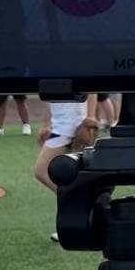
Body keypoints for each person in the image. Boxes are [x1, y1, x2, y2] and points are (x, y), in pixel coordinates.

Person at [33, 97, 102, 241]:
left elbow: (91, 90)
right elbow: (52, 97)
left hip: (70, 126)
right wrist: (47, 123)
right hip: (64, 125)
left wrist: (90, 116)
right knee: (70, 176)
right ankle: (83, 213)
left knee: (43, 171)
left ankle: (80, 205)